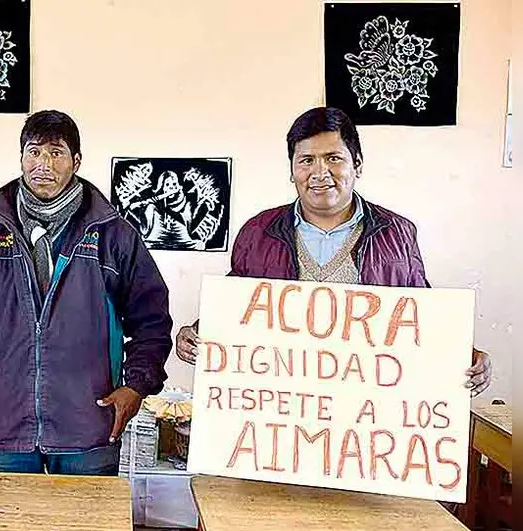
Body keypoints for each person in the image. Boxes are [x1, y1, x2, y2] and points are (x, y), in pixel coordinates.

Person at [174, 106, 493, 395]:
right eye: (306, 160)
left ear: (357, 165)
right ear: (292, 171)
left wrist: (465, 355)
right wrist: (197, 334)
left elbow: (421, 314)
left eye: (333, 158)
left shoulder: (397, 234)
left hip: (367, 411)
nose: (319, 172)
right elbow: (236, 308)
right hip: (280, 407)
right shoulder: (258, 233)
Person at [0, 110, 173, 475]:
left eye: (56, 153)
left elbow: (151, 319)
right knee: (5, 514)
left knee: (85, 516)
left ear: (76, 161)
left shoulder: (114, 236)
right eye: (34, 152)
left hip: (87, 425)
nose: (43, 164)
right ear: (21, 158)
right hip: (4, 424)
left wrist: (136, 385)